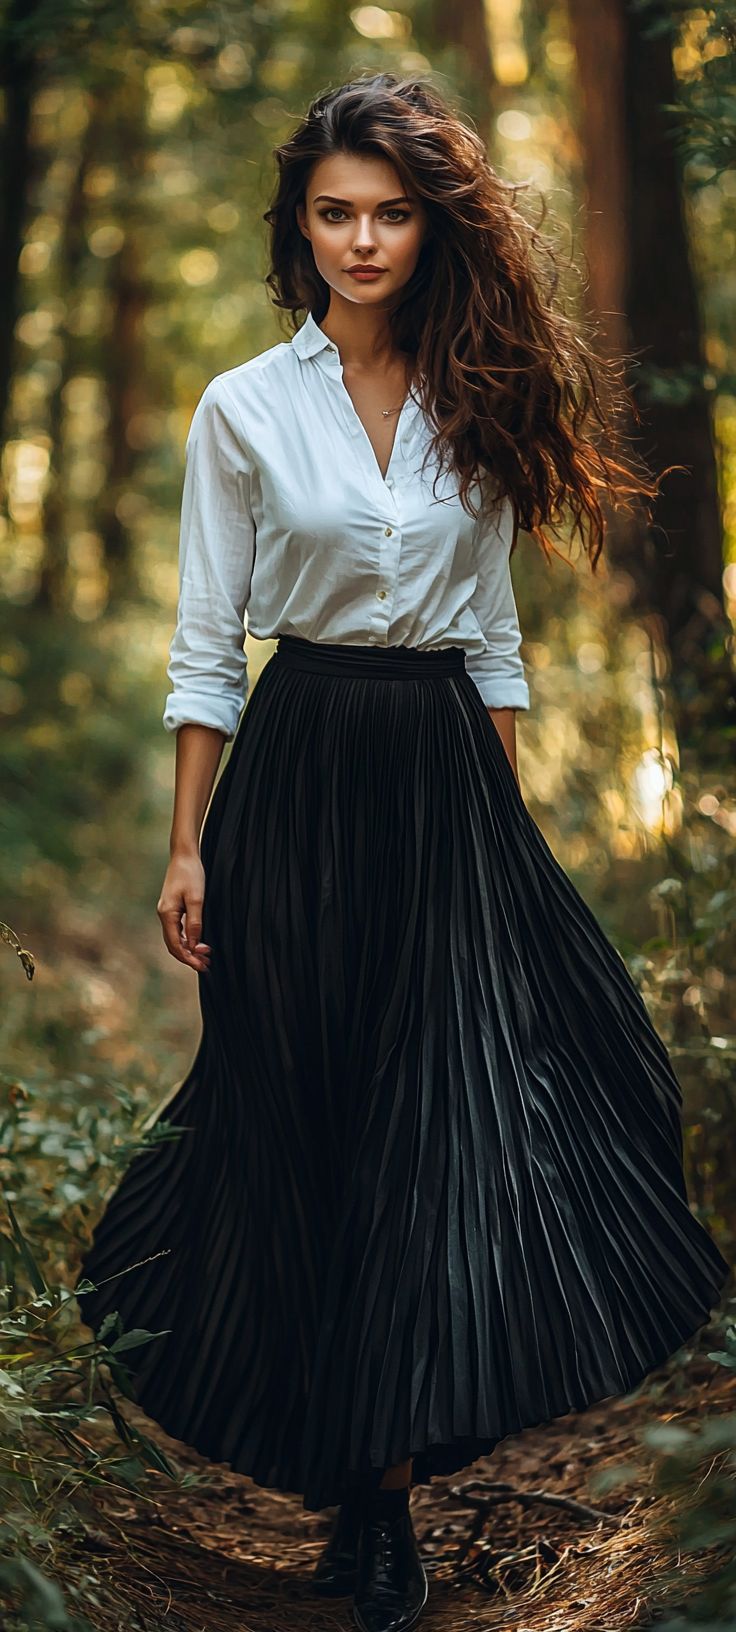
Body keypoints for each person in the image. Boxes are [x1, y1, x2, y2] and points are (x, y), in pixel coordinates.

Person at [78, 75, 728, 1632]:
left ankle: (390, 1491)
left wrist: (501, 829)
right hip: (296, 780)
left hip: (443, 781)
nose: (363, 239)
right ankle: (343, 1483)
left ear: (433, 227)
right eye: (334, 213)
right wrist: (188, 849)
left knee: (451, 1117)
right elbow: (204, 649)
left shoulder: (478, 393)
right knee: (309, 1114)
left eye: (390, 213)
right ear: (298, 230)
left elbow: (494, 636)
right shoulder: (243, 405)